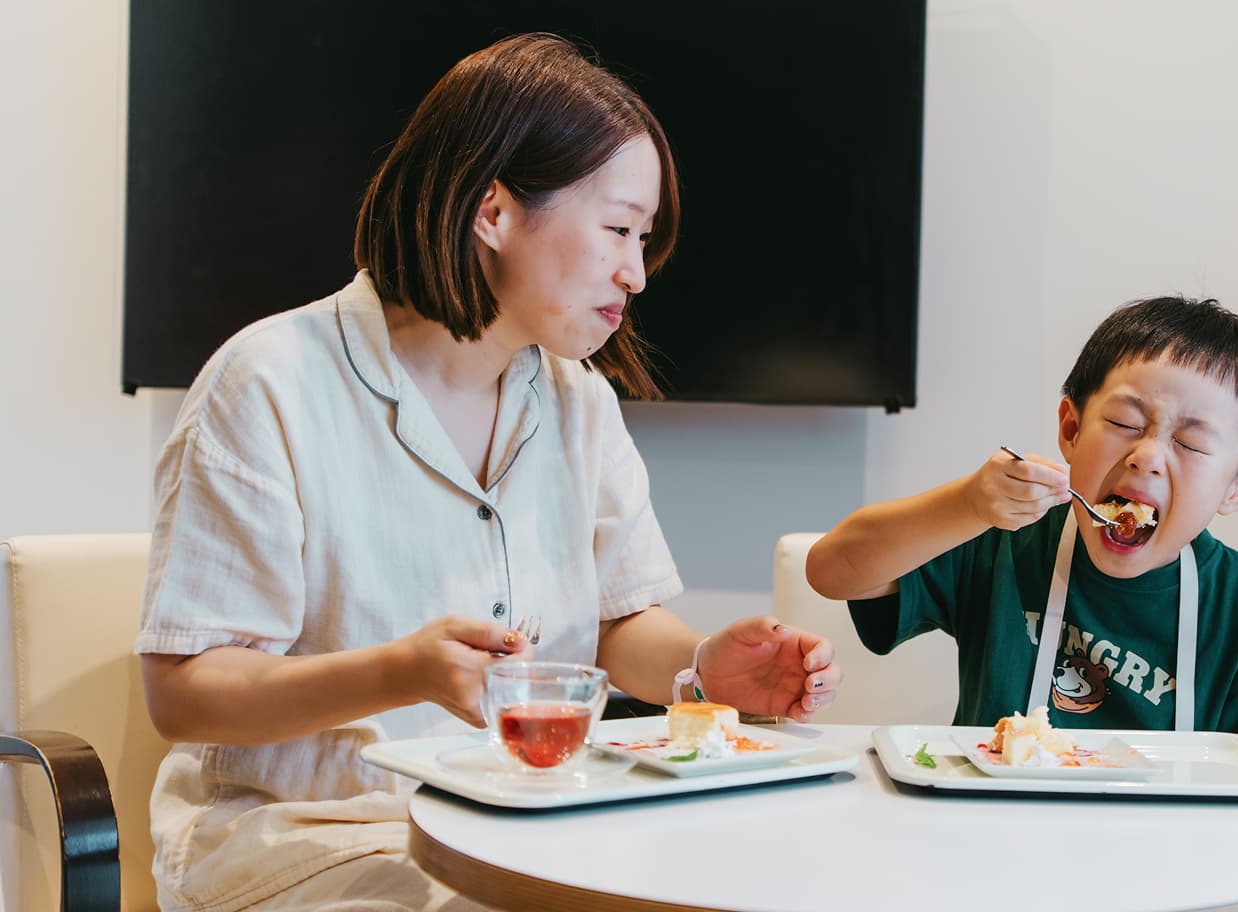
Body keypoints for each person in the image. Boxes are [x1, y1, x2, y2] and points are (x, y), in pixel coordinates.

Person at [136, 34, 840, 911]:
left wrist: (701, 669)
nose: (636, 271)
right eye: (618, 229)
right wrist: (402, 671)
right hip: (310, 836)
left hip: (528, 822)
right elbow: (186, 693)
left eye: (644, 237)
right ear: (494, 211)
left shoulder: (578, 398)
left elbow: (621, 621)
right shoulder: (270, 381)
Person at [806, 296, 1238, 771]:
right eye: (1124, 421)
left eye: (1190, 443)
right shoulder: (1006, 541)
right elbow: (831, 571)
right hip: (990, 843)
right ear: (1071, 430)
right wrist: (965, 506)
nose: (1147, 457)